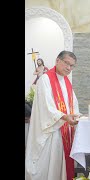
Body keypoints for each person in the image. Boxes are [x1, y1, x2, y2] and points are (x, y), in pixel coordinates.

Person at [25, 51, 81, 180]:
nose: (69, 68)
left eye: (72, 66)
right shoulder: (45, 79)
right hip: (51, 130)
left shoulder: (66, 81)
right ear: (57, 61)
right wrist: (65, 117)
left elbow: (73, 104)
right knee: (50, 167)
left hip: (64, 130)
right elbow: (46, 106)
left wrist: (77, 116)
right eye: (67, 63)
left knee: (60, 167)